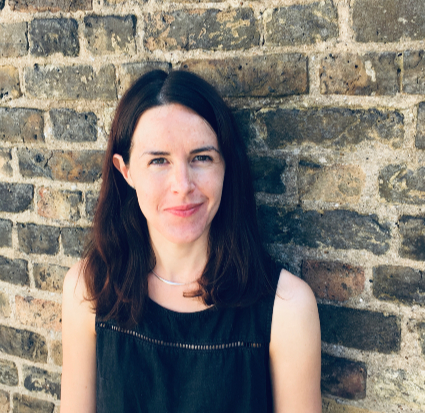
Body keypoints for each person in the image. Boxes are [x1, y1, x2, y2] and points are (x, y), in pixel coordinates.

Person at [61, 70, 321, 412]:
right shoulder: (89, 288)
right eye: (158, 160)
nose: (182, 184)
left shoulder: (287, 309)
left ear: (227, 166)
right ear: (126, 172)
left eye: (201, 157)